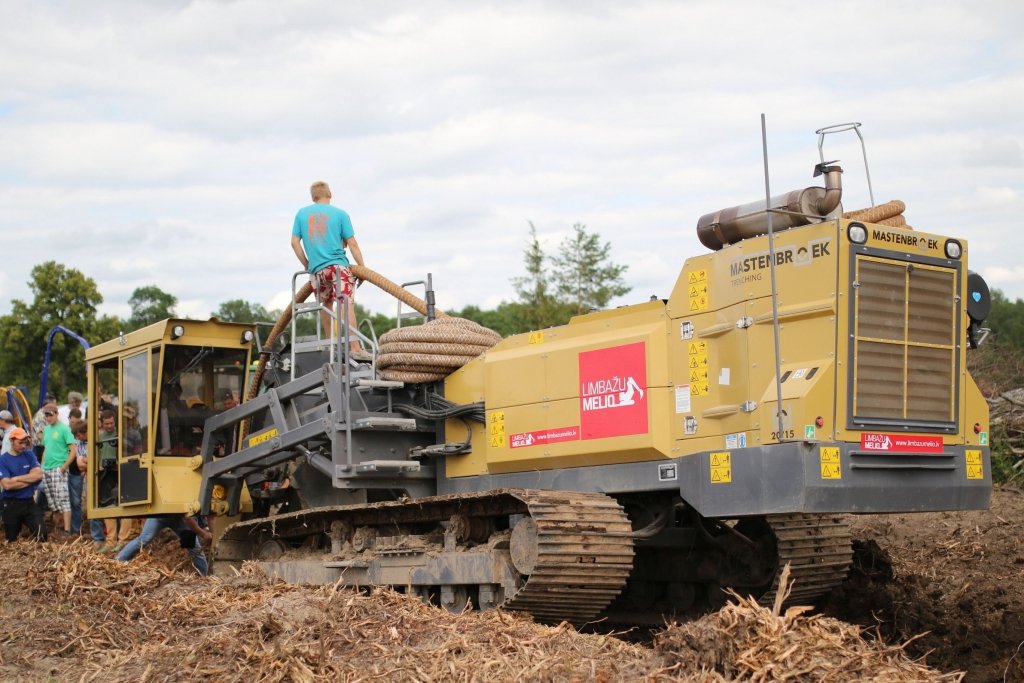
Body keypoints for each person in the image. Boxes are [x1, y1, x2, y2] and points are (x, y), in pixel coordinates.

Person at [290, 180, 372, 361]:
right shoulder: (340, 214)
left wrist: (307, 264)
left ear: (313, 197)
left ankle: (331, 346)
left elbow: (294, 242)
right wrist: (362, 268)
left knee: (325, 306)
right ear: (330, 195)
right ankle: (356, 348)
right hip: (338, 267)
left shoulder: (301, 214)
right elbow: (352, 243)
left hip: (317, 271)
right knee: (346, 303)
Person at [116, 515, 211, 575]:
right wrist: (203, 534)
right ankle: (116, 562)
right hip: (160, 516)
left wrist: (212, 533)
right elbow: (188, 519)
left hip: (179, 519)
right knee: (144, 539)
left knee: (193, 546)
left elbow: (212, 517)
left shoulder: (210, 496)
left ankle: (204, 576)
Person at [0, 427, 45, 541]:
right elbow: (7, 485)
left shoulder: (29, 454)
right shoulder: (3, 460)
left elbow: (39, 475)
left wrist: (16, 479)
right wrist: (30, 480)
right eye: (20, 443)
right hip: (11, 504)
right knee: (12, 540)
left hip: (29, 502)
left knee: (42, 535)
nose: (23, 446)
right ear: (11, 441)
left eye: (25, 443)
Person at [39, 405, 76, 536]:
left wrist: (64, 467)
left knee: (63, 499)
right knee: (52, 501)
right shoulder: (46, 430)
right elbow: (46, 449)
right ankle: (57, 529)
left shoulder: (64, 429)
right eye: (46, 415)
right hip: (46, 469)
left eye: (50, 415)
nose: (48, 417)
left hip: (58, 467)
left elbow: (73, 450)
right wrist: (42, 466)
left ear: (56, 413)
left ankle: (67, 529)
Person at [67, 419, 88, 534]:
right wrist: (86, 461)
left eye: (78, 435)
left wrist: (86, 461)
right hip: (81, 474)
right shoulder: (79, 443)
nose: (77, 438)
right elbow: (80, 464)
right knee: (76, 501)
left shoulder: (95, 440)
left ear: (84, 432)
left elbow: (95, 460)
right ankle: (77, 529)